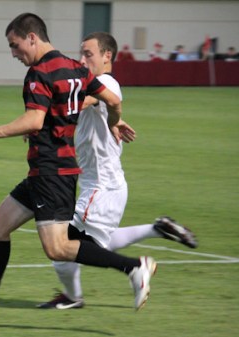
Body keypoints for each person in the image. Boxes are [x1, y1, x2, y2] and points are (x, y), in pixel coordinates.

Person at [0, 13, 156, 325]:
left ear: (32, 38)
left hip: (53, 172)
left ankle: (133, 268)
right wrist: (114, 119)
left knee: (58, 247)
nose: (14, 54)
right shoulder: (74, 68)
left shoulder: (39, 73)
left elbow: (34, 120)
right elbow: (112, 99)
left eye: (15, 46)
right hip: (45, 170)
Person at [35, 32, 198, 310]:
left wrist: (39, 117)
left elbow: (79, 102)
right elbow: (96, 107)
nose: (83, 59)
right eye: (81, 53)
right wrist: (115, 118)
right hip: (102, 185)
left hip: (101, 187)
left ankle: (132, 271)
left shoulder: (105, 83)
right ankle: (156, 229)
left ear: (107, 56)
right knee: (82, 245)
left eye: (89, 54)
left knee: (64, 246)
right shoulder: (101, 88)